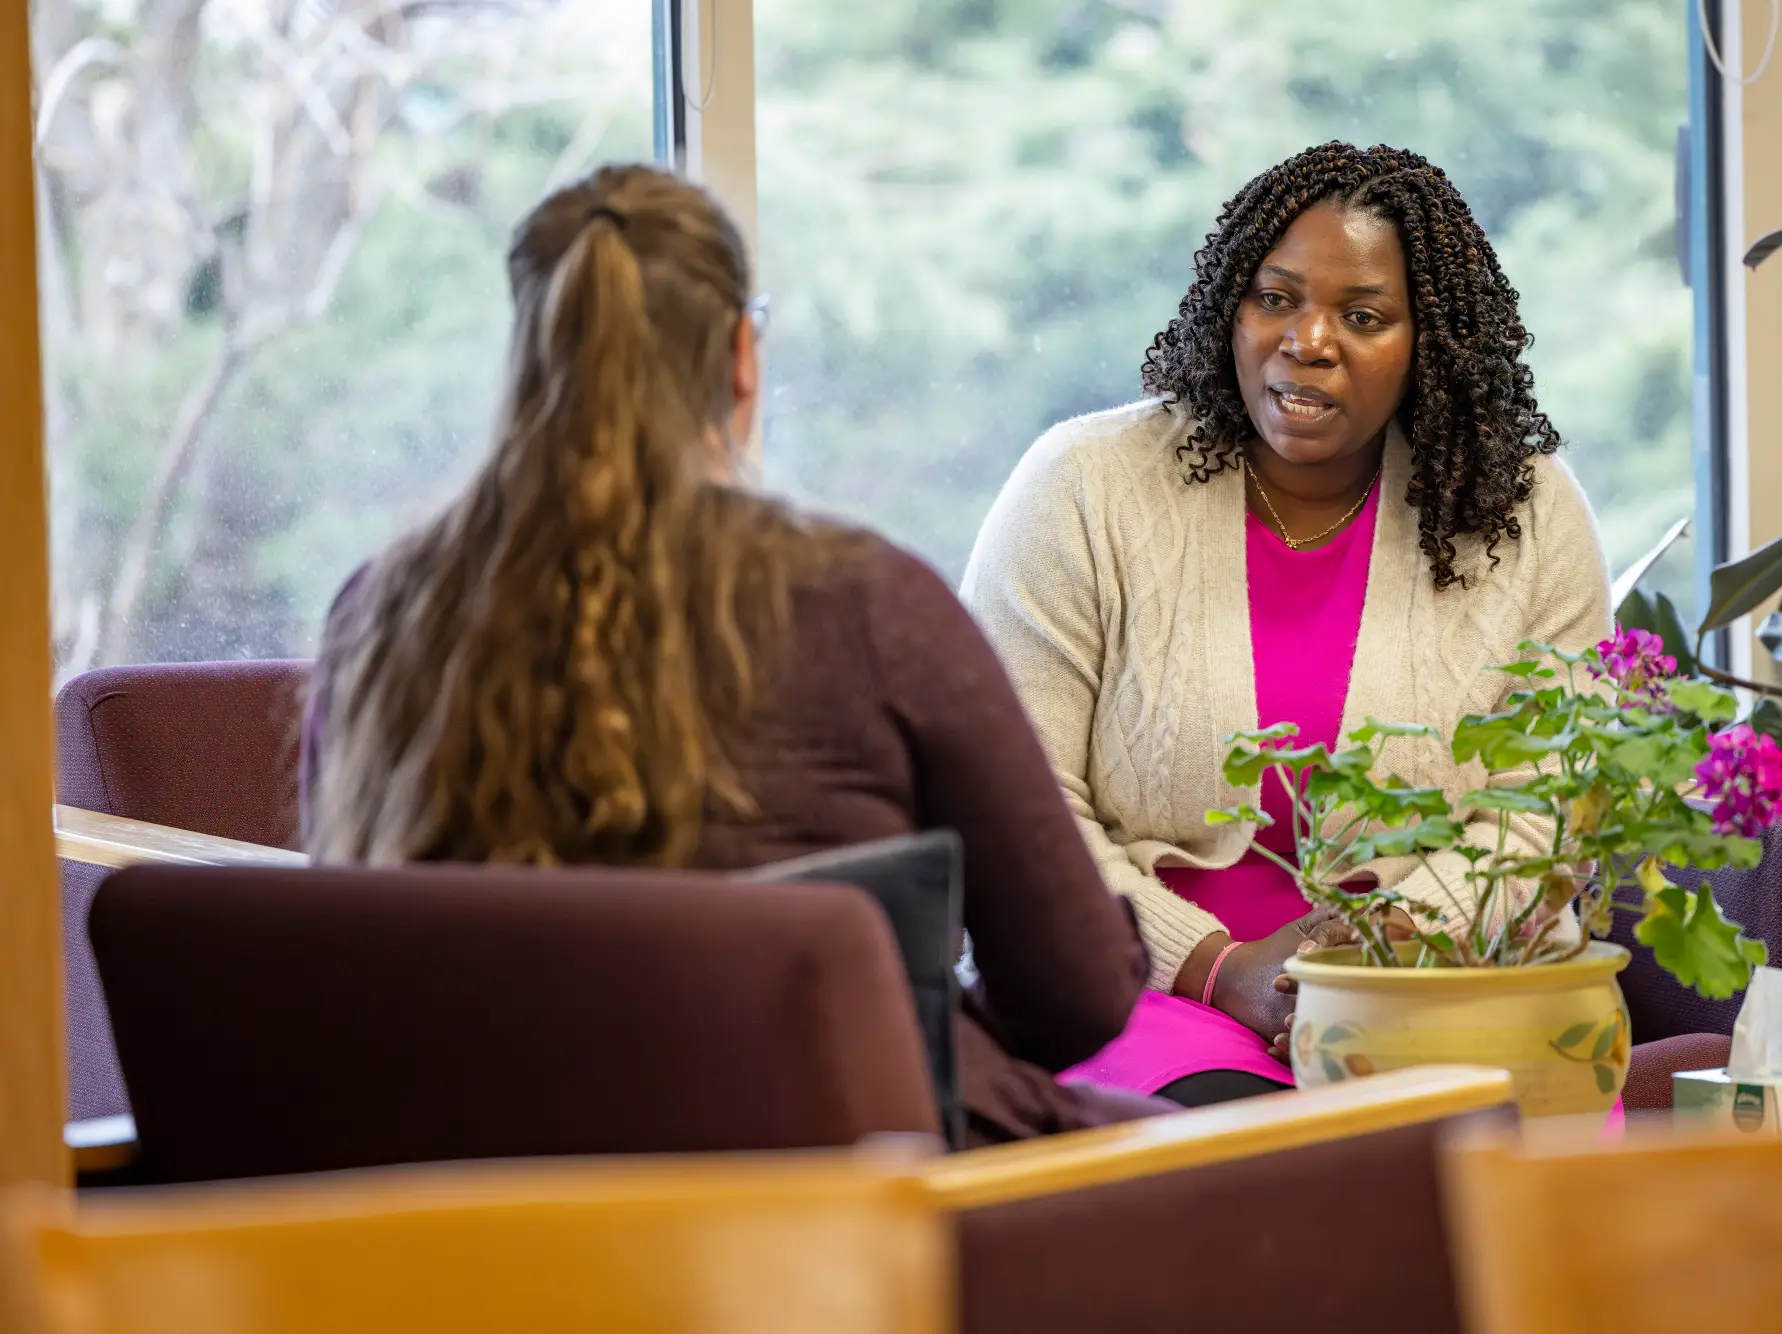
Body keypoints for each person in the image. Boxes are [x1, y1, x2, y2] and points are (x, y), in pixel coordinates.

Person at [299, 164, 1163, 1146]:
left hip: (477, 1212)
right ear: (741, 356)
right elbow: (1077, 991)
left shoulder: (380, 611)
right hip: (839, 1214)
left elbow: (356, 963)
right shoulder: (864, 601)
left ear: (530, 356)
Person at [961, 141, 1613, 1105]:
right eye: (1276, 298)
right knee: (1257, 1155)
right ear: (1231, 305)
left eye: (1363, 316)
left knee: (1478, 1168)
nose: (1307, 339)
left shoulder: (1525, 511)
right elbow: (1017, 807)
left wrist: (1380, 958)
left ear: (1429, 338)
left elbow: (1554, 804)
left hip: (1440, 992)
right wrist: (1219, 968)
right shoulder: (1084, 489)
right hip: (1138, 989)